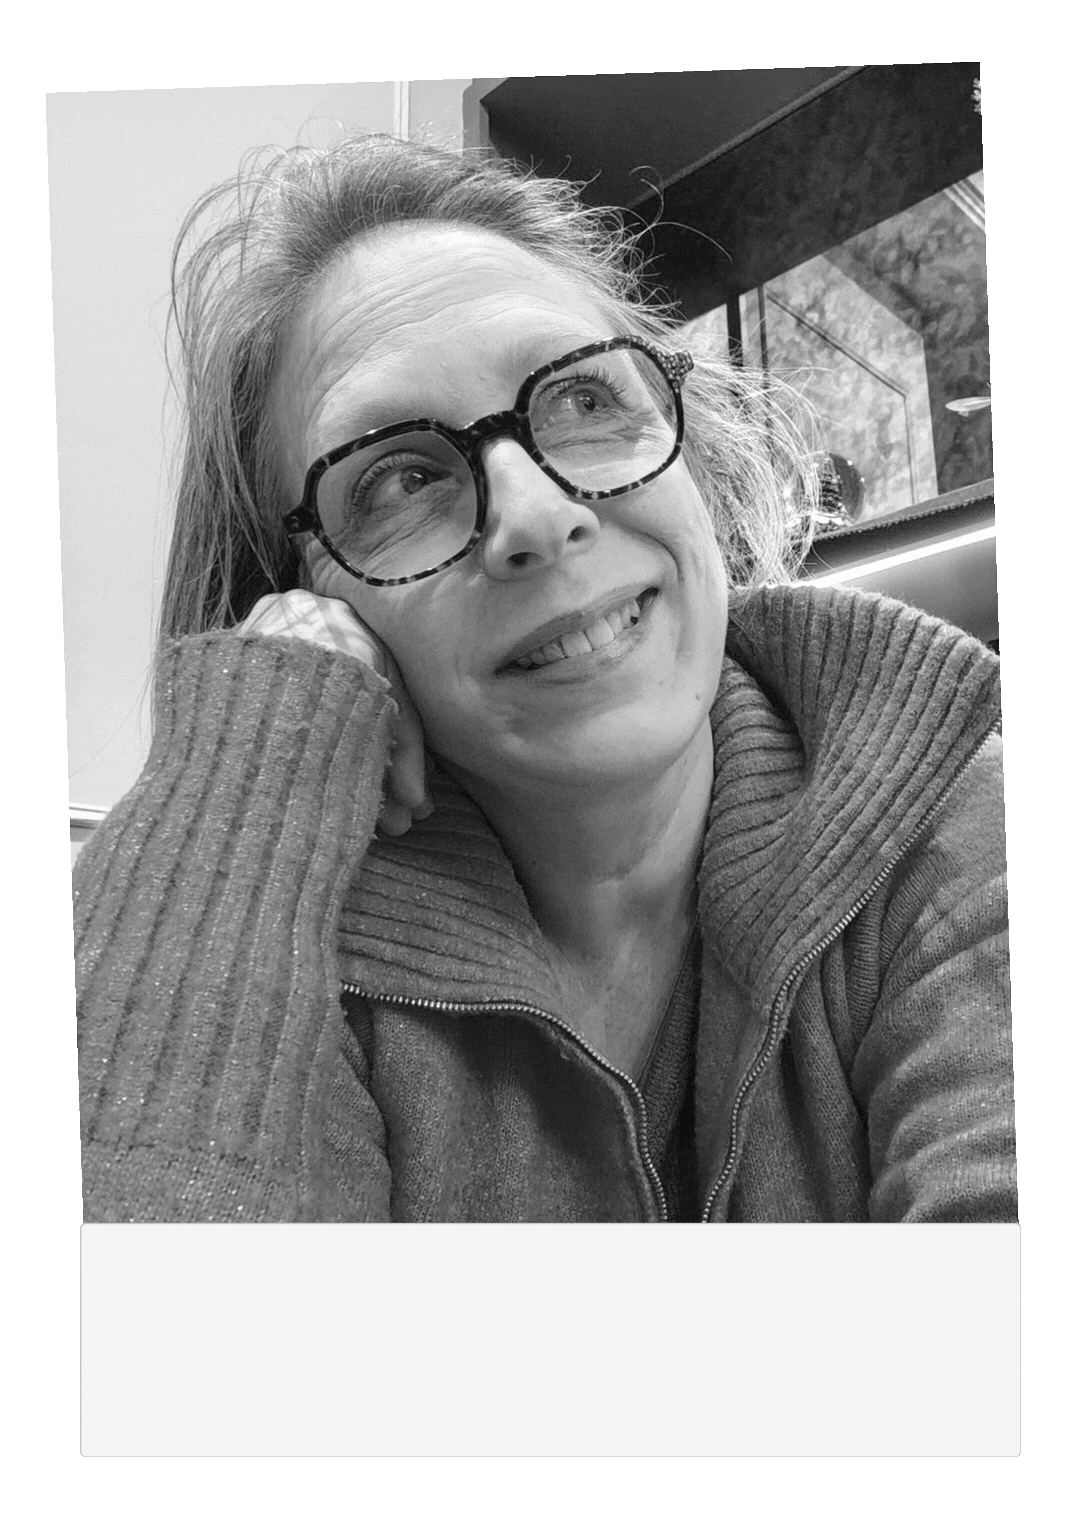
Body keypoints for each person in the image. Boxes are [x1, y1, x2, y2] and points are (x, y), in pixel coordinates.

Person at [74, 136, 1012, 1223]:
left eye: (584, 400)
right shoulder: (290, 932)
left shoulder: (937, 804)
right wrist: (265, 729)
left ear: (694, 456)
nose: (537, 514)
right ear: (311, 594)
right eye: (399, 479)